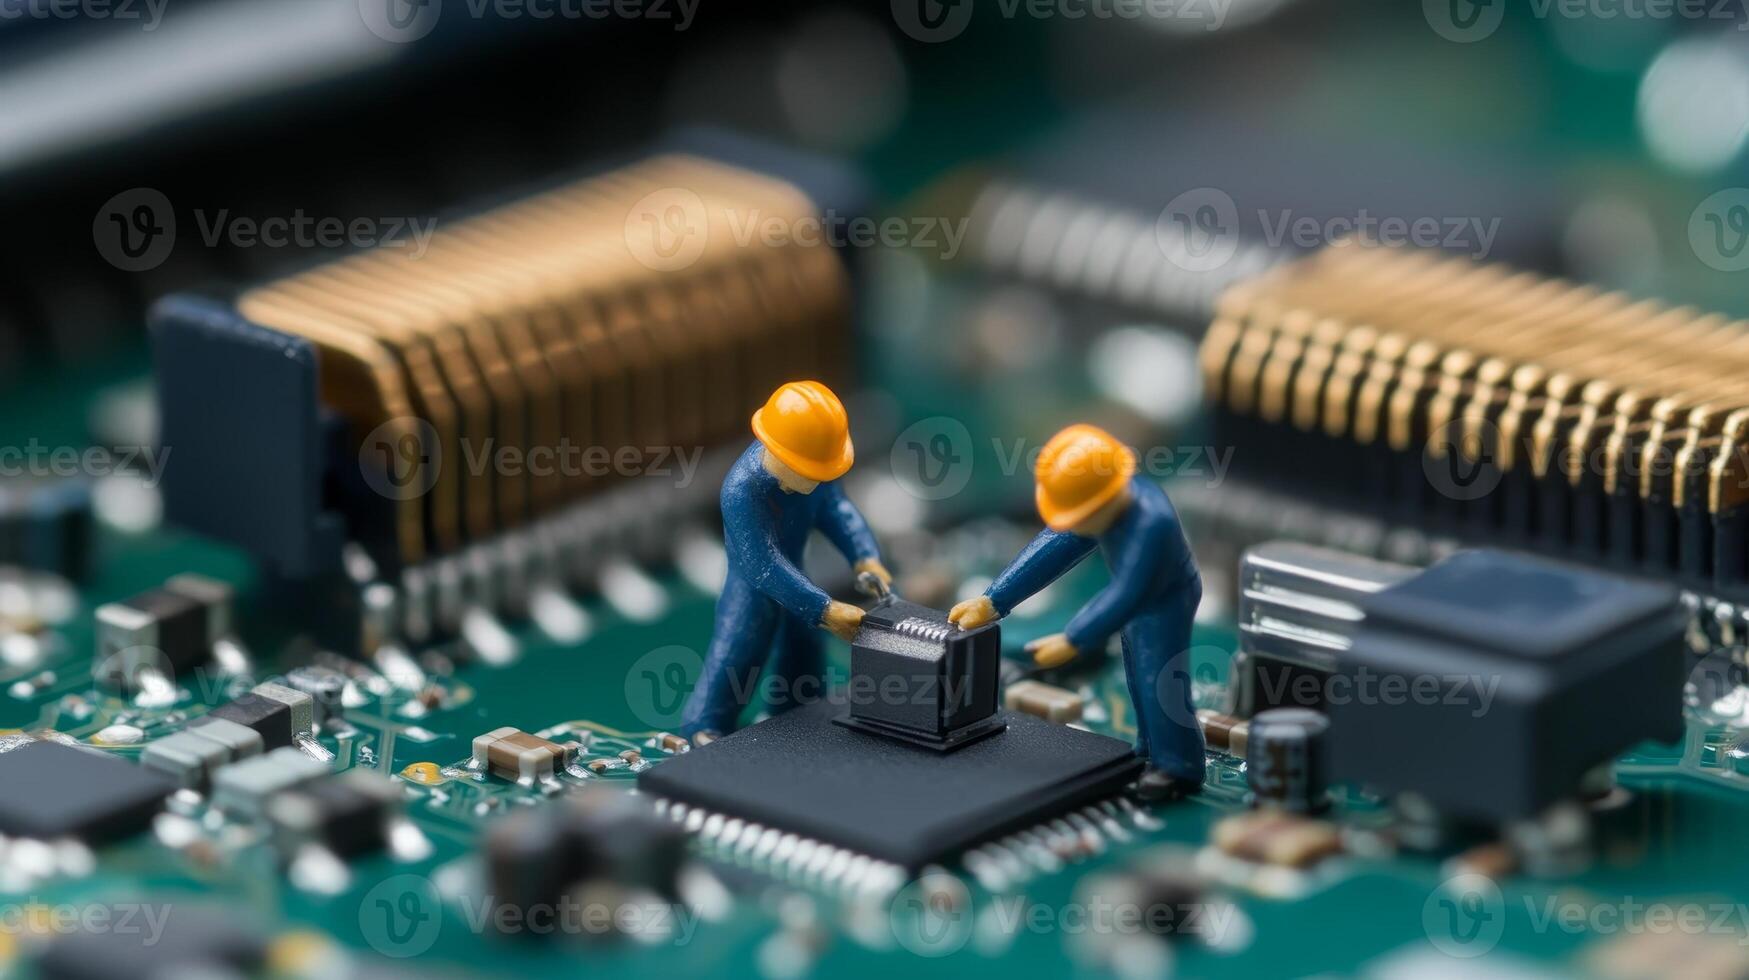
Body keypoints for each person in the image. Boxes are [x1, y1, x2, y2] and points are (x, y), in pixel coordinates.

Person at [949, 424, 1204, 799]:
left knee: (1158, 680)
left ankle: (1178, 766)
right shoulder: (1105, 504)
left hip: (1165, 601)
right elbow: (1052, 549)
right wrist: (992, 601)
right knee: (1137, 677)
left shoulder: (1153, 522)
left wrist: (1074, 639)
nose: (1072, 524)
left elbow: (1128, 593)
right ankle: (1149, 750)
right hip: (1136, 600)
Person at [679, 380, 892, 743]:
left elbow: (836, 509)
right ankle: (705, 726)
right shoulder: (741, 490)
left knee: (806, 646)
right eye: (814, 472)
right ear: (780, 454)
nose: (822, 480)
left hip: (797, 576)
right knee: (740, 649)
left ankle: (797, 708)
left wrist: (865, 557)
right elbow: (761, 564)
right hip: (752, 587)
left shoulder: (813, 471)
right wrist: (825, 609)